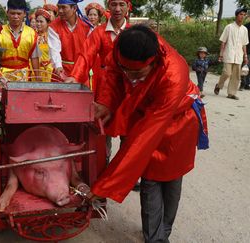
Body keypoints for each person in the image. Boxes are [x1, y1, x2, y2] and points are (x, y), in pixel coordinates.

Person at [89, 25, 209, 243]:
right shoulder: (123, 46)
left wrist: (104, 186)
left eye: (137, 73)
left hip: (177, 122)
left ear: (154, 62)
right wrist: (106, 103)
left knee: (172, 178)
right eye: (127, 70)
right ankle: (154, 239)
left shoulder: (174, 74)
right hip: (145, 113)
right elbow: (114, 74)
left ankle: (164, 233)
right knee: (151, 178)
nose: (130, 78)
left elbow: (143, 140)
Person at [68, 0, 131, 94]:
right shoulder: (99, 32)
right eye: (114, 5)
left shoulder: (133, 32)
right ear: (108, 6)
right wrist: (75, 76)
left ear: (128, 6)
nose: (117, 9)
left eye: (122, 5)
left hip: (128, 84)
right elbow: (86, 54)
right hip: (104, 84)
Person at [48, 0, 92, 85]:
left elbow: (88, 51)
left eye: (64, 7)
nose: (60, 11)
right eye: (59, 7)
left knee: (80, 97)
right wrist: (58, 66)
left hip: (81, 69)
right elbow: (54, 49)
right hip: (61, 70)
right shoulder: (54, 26)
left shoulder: (87, 26)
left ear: (74, 8)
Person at [0, 0, 40, 81]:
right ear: (7, 13)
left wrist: (38, 78)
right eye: (12, 13)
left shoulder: (31, 33)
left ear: (24, 14)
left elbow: (34, 58)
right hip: (2, 77)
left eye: (19, 13)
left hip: (24, 77)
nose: (15, 16)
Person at [214, 7, 249, 100]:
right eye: (241, 14)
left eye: (244, 15)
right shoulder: (229, 27)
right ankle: (219, 85)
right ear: (236, 15)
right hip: (228, 54)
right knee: (227, 73)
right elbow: (223, 42)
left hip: (239, 56)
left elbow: (244, 44)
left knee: (236, 76)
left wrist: (245, 56)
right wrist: (221, 54)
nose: (243, 16)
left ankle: (231, 93)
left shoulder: (244, 29)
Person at [35, 8, 54, 82]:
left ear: (48, 23)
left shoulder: (52, 37)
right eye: (37, 21)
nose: (38, 24)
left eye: (41, 22)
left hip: (50, 71)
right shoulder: (32, 35)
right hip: (35, 71)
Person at [240, 21, 250, 90]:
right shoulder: (246, 27)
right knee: (245, 68)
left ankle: (247, 84)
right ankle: (243, 84)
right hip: (247, 50)